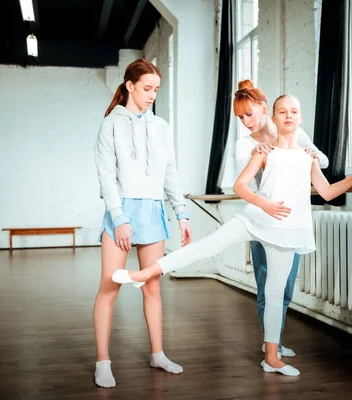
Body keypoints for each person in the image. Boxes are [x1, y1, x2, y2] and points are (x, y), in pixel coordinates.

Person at [112, 94, 352, 376]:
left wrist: (351, 179)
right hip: (255, 218)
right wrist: (266, 205)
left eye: (294, 111)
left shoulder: (307, 157)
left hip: (287, 229)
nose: (288, 115)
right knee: (206, 246)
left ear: (300, 118)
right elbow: (240, 186)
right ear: (273, 118)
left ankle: (271, 358)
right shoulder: (263, 151)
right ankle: (144, 274)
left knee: (275, 293)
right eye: (282, 111)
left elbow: (326, 192)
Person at [93, 58, 192, 388]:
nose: (152, 95)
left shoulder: (161, 127)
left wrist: (182, 214)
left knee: (152, 287)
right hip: (121, 213)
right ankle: (103, 362)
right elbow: (107, 178)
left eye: (156, 90)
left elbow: (170, 174)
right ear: (130, 86)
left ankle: (158, 353)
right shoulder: (110, 125)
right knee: (110, 286)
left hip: (153, 212)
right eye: (147, 88)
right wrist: (119, 219)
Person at [233, 79, 329, 358]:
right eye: (240, 117)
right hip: (264, 218)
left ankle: (273, 340)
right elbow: (245, 179)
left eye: (249, 114)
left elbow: (321, 161)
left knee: (286, 287)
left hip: (291, 219)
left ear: (265, 109)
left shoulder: (292, 130)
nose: (246, 121)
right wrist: (257, 154)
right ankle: (269, 346)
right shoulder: (244, 144)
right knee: (266, 284)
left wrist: (311, 153)